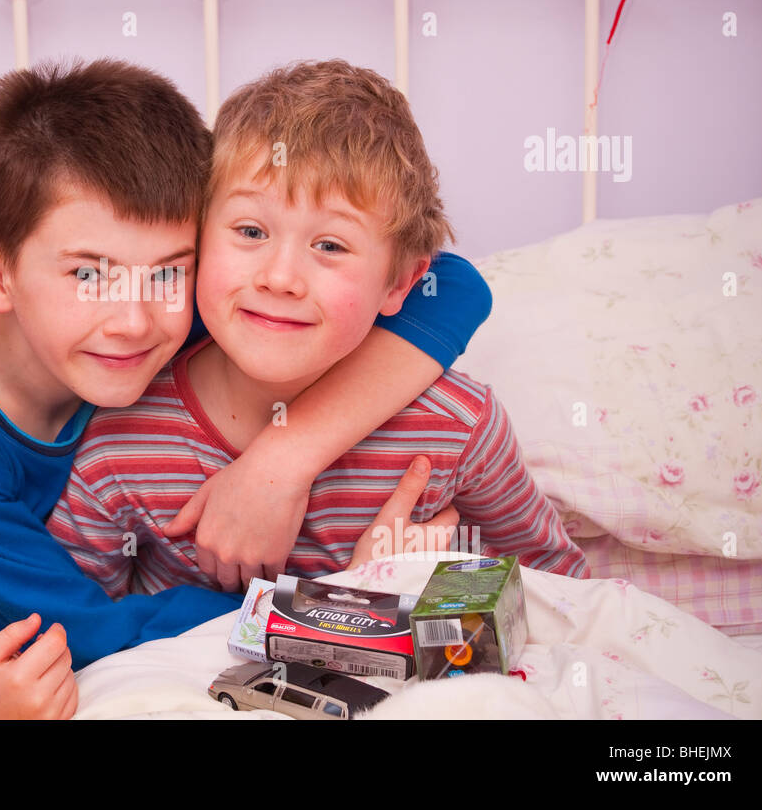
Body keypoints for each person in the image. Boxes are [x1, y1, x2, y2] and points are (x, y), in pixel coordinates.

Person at [0, 58, 492, 720]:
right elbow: (84, 634)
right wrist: (337, 596)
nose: (134, 321)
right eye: (87, 275)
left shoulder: (199, 293)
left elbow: (452, 285)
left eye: (171, 270)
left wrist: (283, 458)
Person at [48, 59, 588, 612]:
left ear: (400, 283)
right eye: (250, 231)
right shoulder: (118, 439)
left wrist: (413, 588)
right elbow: (77, 633)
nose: (280, 278)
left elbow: (564, 598)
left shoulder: (457, 432)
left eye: (330, 246)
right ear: (196, 238)